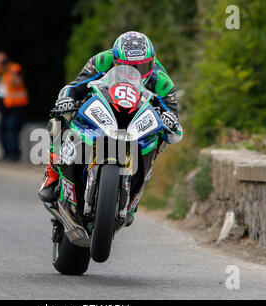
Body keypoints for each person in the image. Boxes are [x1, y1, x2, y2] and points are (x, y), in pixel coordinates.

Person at [39, 31, 183, 203]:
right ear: (116, 61)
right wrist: (67, 100)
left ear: (152, 62)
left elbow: (174, 125)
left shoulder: (161, 80)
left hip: (136, 123)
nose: (135, 72)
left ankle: (136, 189)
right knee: (58, 121)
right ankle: (52, 174)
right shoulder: (102, 61)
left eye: (142, 67)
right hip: (102, 110)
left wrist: (169, 122)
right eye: (129, 67)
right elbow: (74, 87)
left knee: (160, 139)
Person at [0, 51, 29, 161]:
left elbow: (19, 82)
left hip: (15, 105)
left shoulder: (14, 68)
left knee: (12, 128)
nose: (1, 63)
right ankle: (6, 153)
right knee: (2, 128)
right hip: (2, 106)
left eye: (3, 61)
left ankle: (13, 153)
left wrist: (7, 69)